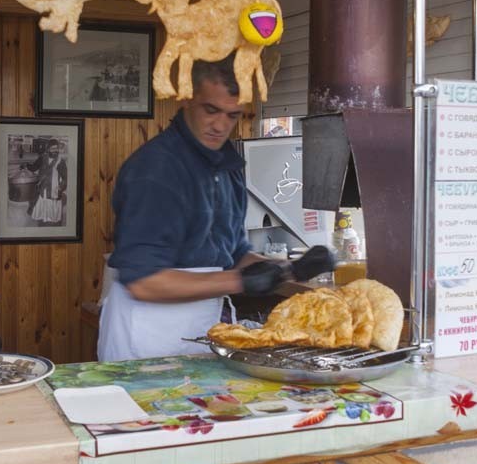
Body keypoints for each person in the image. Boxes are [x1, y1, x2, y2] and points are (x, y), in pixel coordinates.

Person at [99, 59, 335, 361]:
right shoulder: (156, 170)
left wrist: (290, 269)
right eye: (211, 110)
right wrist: (239, 282)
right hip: (146, 335)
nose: (221, 125)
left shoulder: (226, 166)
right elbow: (144, 282)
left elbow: (234, 254)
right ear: (186, 98)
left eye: (232, 115)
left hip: (198, 328)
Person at [26, 138, 68, 225]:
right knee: (42, 203)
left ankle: (52, 223)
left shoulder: (61, 161)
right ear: (48, 149)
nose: (55, 151)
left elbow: (65, 178)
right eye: (53, 148)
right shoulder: (42, 158)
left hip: (54, 188)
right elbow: (34, 167)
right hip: (43, 187)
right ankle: (43, 220)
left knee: (52, 208)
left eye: (56, 148)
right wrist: (26, 165)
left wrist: (61, 188)